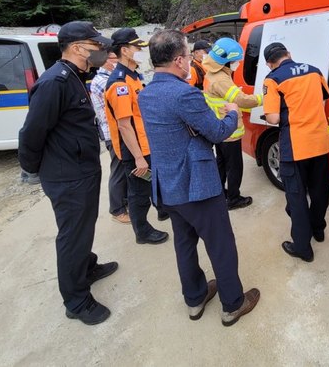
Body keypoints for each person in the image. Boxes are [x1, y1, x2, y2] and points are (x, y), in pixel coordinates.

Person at [139, 29, 260, 326]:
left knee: (184, 243)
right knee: (220, 244)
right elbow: (218, 132)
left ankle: (194, 299)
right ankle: (233, 303)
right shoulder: (184, 93)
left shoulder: (147, 93)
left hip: (168, 186)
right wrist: (232, 112)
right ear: (180, 60)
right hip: (198, 186)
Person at [18, 21, 117, 326]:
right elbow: (32, 132)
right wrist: (32, 169)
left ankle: (85, 267)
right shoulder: (55, 83)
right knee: (73, 235)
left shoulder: (75, 76)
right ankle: (76, 300)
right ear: (76, 48)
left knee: (84, 227)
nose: (101, 52)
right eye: (96, 46)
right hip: (67, 176)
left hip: (80, 170)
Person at [262, 42, 329, 263]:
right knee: (320, 190)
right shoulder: (314, 70)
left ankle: (303, 247)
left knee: (297, 197)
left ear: (269, 63)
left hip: (295, 146)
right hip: (320, 142)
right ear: (289, 54)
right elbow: (323, 100)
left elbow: (272, 118)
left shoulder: (272, 79)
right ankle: (318, 230)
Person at [104, 27, 169, 245]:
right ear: (125, 50)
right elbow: (124, 125)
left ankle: (162, 209)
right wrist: (139, 157)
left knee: (151, 183)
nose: (142, 51)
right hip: (134, 151)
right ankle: (142, 231)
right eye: (137, 47)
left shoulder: (133, 76)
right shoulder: (120, 83)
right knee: (139, 192)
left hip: (145, 144)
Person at [202, 37, 262, 210]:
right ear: (225, 61)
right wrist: (263, 98)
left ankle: (220, 192)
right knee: (235, 167)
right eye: (235, 61)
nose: (237, 64)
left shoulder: (211, 73)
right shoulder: (221, 78)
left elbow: (223, 96)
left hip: (217, 128)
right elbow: (241, 100)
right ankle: (234, 199)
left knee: (221, 162)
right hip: (229, 132)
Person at [90, 50, 130, 224]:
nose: (117, 62)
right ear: (106, 61)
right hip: (114, 132)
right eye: (114, 59)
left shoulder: (112, 77)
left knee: (124, 168)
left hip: (121, 130)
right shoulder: (104, 81)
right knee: (118, 170)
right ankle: (117, 209)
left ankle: (125, 202)